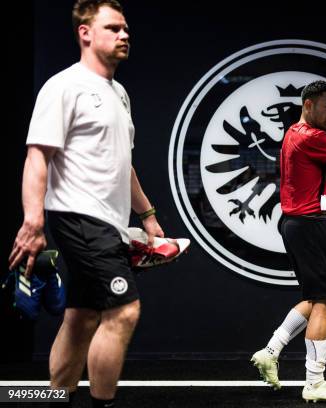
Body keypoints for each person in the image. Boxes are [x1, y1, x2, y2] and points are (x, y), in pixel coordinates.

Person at [8, 1, 163, 407]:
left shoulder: (120, 94)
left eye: (126, 28)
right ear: (86, 33)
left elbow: (123, 165)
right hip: (78, 216)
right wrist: (32, 222)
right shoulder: (63, 87)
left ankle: (54, 401)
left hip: (107, 223)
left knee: (82, 317)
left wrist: (147, 217)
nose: (124, 34)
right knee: (124, 311)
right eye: (113, 28)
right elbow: (37, 157)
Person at [251, 80, 326, 402]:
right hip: (311, 226)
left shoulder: (294, 135)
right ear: (308, 105)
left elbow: (314, 173)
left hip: (297, 225)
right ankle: (314, 382)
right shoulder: (312, 137)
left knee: (315, 298)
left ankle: (270, 352)